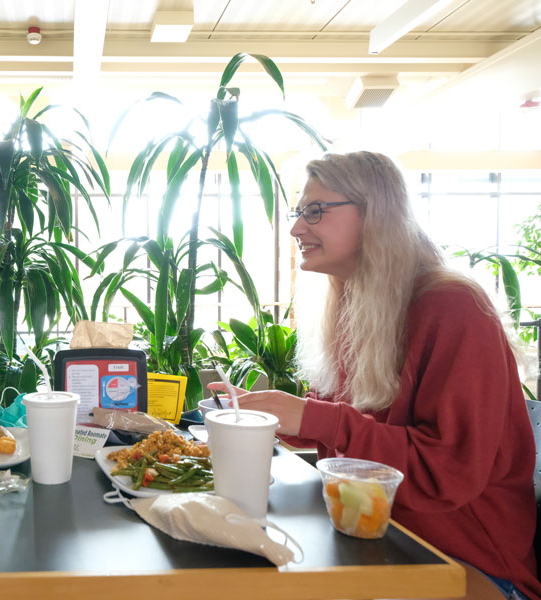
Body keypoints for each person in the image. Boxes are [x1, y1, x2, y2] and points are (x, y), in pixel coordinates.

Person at [209, 151, 540, 600]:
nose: (296, 229)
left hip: (467, 564)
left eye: (315, 211)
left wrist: (313, 418)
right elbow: (356, 436)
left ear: (376, 214)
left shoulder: (453, 307)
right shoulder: (354, 304)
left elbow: (448, 472)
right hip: (375, 538)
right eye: (298, 212)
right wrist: (270, 416)